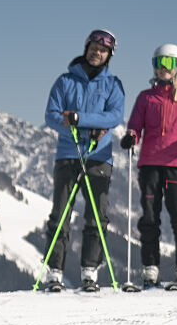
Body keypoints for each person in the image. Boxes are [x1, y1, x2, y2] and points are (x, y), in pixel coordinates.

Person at [41, 28, 126, 291]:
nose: (96, 52)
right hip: (68, 153)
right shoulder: (65, 81)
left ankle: (90, 272)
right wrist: (72, 126)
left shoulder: (113, 85)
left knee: (96, 217)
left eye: (103, 50)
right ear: (86, 47)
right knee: (60, 214)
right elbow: (51, 115)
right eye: (93, 47)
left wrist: (80, 119)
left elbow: (114, 117)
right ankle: (54, 272)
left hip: (98, 156)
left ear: (109, 55)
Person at [119, 43, 177, 289]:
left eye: (167, 63)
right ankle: (150, 269)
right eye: (157, 63)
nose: (161, 69)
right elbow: (135, 125)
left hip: (176, 163)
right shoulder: (146, 97)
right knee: (149, 217)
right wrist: (131, 137)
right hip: (149, 164)